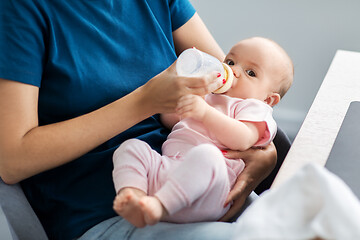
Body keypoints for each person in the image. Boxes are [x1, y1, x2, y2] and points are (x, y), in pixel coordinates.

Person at [0, 1, 279, 239]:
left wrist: (267, 154)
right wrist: (145, 101)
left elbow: (234, 89)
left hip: (206, 187)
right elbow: (12, 162)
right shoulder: (19, 11)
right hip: (109, 212)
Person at [112, 37, 294, 227]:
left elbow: (243, 139)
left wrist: (205, 113)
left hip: (209, 189)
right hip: (170, 169)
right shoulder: (208, 96)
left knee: (208, 155)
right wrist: (187, 99)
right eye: (230, 62)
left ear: (269, 99)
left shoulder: (254, 108)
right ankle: (134, 196)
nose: (234, 71)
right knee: (131, 148)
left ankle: (159, 206)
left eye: (250, 72)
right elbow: (169, 119)